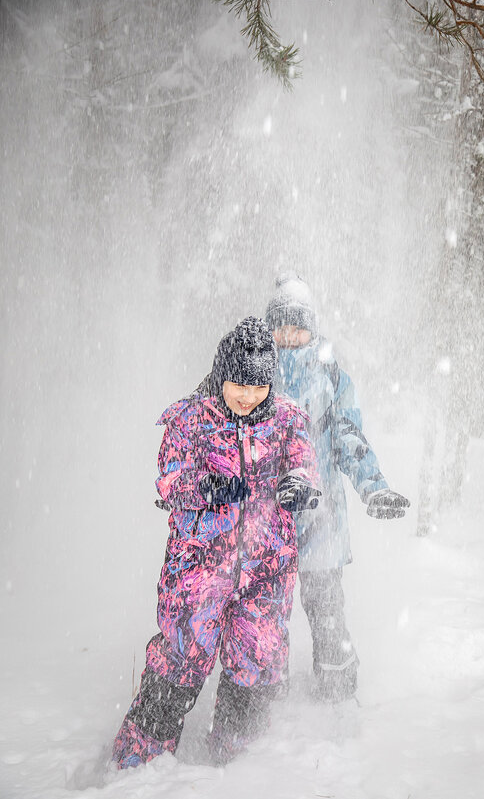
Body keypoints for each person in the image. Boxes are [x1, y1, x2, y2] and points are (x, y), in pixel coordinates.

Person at [111, 317, 319, 769]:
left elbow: (304, 464)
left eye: (259, 385)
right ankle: (136, 767)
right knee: (180, 660)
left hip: (266, 573)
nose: (248, 395)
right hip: (198, 573)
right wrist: (205, 489)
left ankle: (237, 766)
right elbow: (169, 481)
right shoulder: (190, 418)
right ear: (220, 373)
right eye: (238, 384)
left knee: (257, 658)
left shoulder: (288, 420)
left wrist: (301, 484)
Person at [265, 274, 410, 703]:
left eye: (298, 326)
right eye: (281, 326)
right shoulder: (255, 376)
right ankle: (261, 698)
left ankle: (338, 695)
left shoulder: (331, 379)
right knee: (263, 616)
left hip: (321, 523)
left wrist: (374, 487)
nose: (290, 335)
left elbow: (350, 439)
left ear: (312, 327)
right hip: (267, 523)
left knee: (326, 611)